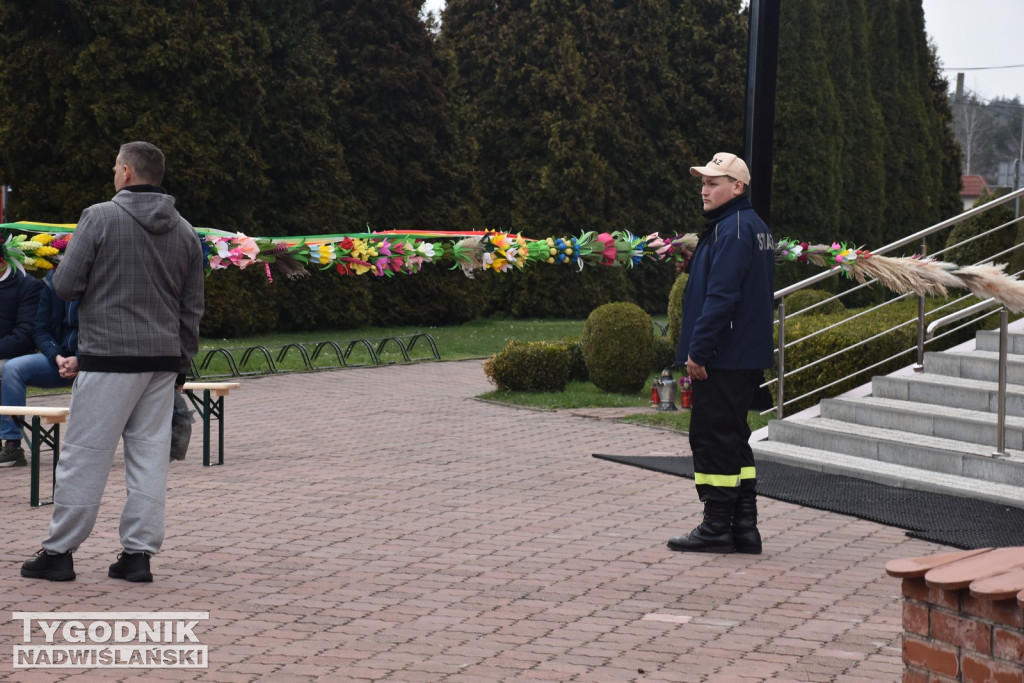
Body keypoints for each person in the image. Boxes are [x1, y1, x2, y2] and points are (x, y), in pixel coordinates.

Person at [21, 141, 205, 582]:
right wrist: (182, 364)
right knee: (148, 457)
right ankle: (137, 555)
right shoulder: (184, 230)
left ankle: (60, 551)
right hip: (162, 360)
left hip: (108, 356)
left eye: (114, 167)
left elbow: (64, 286)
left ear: (126, 172)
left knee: (85, 454)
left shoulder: (100, 216)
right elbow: (192, 307)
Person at [669, 152, 775, 554]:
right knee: (734, 440)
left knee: (711, 438)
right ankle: (744, 528)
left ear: (738, 187)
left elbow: (722, 296)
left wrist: (699, 350)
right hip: (742, 354)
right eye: (703, 182)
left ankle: (715, 527)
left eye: (714, 182)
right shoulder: (750, 227)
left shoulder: (731, 230)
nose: (704, 189)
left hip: (724, 357)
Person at [0, 271, 79, 467]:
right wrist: (57, 356)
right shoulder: (51, 283)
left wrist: (79, 359)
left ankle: (89, 447)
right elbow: (40, 329)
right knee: (13, 368)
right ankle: (13, 444)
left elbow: (103, 333)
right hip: (57, 359)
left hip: (93, 360)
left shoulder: (97, 285)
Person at [0, 264, 43, 467]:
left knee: (11, 369)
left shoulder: (28, 285)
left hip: (12, 354)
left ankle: (12, 443)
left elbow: (25, 336)